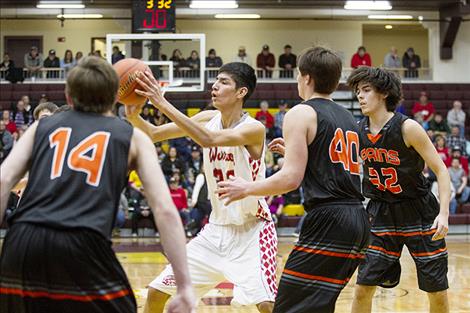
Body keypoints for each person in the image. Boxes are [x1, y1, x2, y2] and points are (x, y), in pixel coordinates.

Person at [0, 56, 195, 313]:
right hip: (84, 242)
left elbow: (3, 181)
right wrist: (184, 286)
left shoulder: (41, 128)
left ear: (68, 97)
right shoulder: (132, 137)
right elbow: (165, 210)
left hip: (24, 243)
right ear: (116, 96)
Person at [217, 47, 370, 313]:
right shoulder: (348, 117)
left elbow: (291, 178)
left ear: (307, 78)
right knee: (317, 307)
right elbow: (335, 165)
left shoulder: (301, 112)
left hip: (329, 220)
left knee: (288, 308)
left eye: (299, 76)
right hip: (357, 220)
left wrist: (247, 188)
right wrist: (293, 153)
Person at [126, 62, 277, 313]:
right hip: (215, 231)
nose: (215, 86)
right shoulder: (208, 118)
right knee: (156, 292)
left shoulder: (254, 128)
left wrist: (161, 103)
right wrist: (133, 115)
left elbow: (208, 139)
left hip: (252, 230)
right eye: (216, 80)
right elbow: (153, 134)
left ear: (241, 92)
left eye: (224, 82)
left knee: (266, 305)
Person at [347, 66, 450, 313]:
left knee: (436, 291)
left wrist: (444, 213)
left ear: (383, 93)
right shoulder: (357, 130)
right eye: (358, 91)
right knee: (362, 288)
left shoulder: (408, 128)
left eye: (366, 90)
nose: (360, 96)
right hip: (381, 212)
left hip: (419, 212)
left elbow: (441, 170)